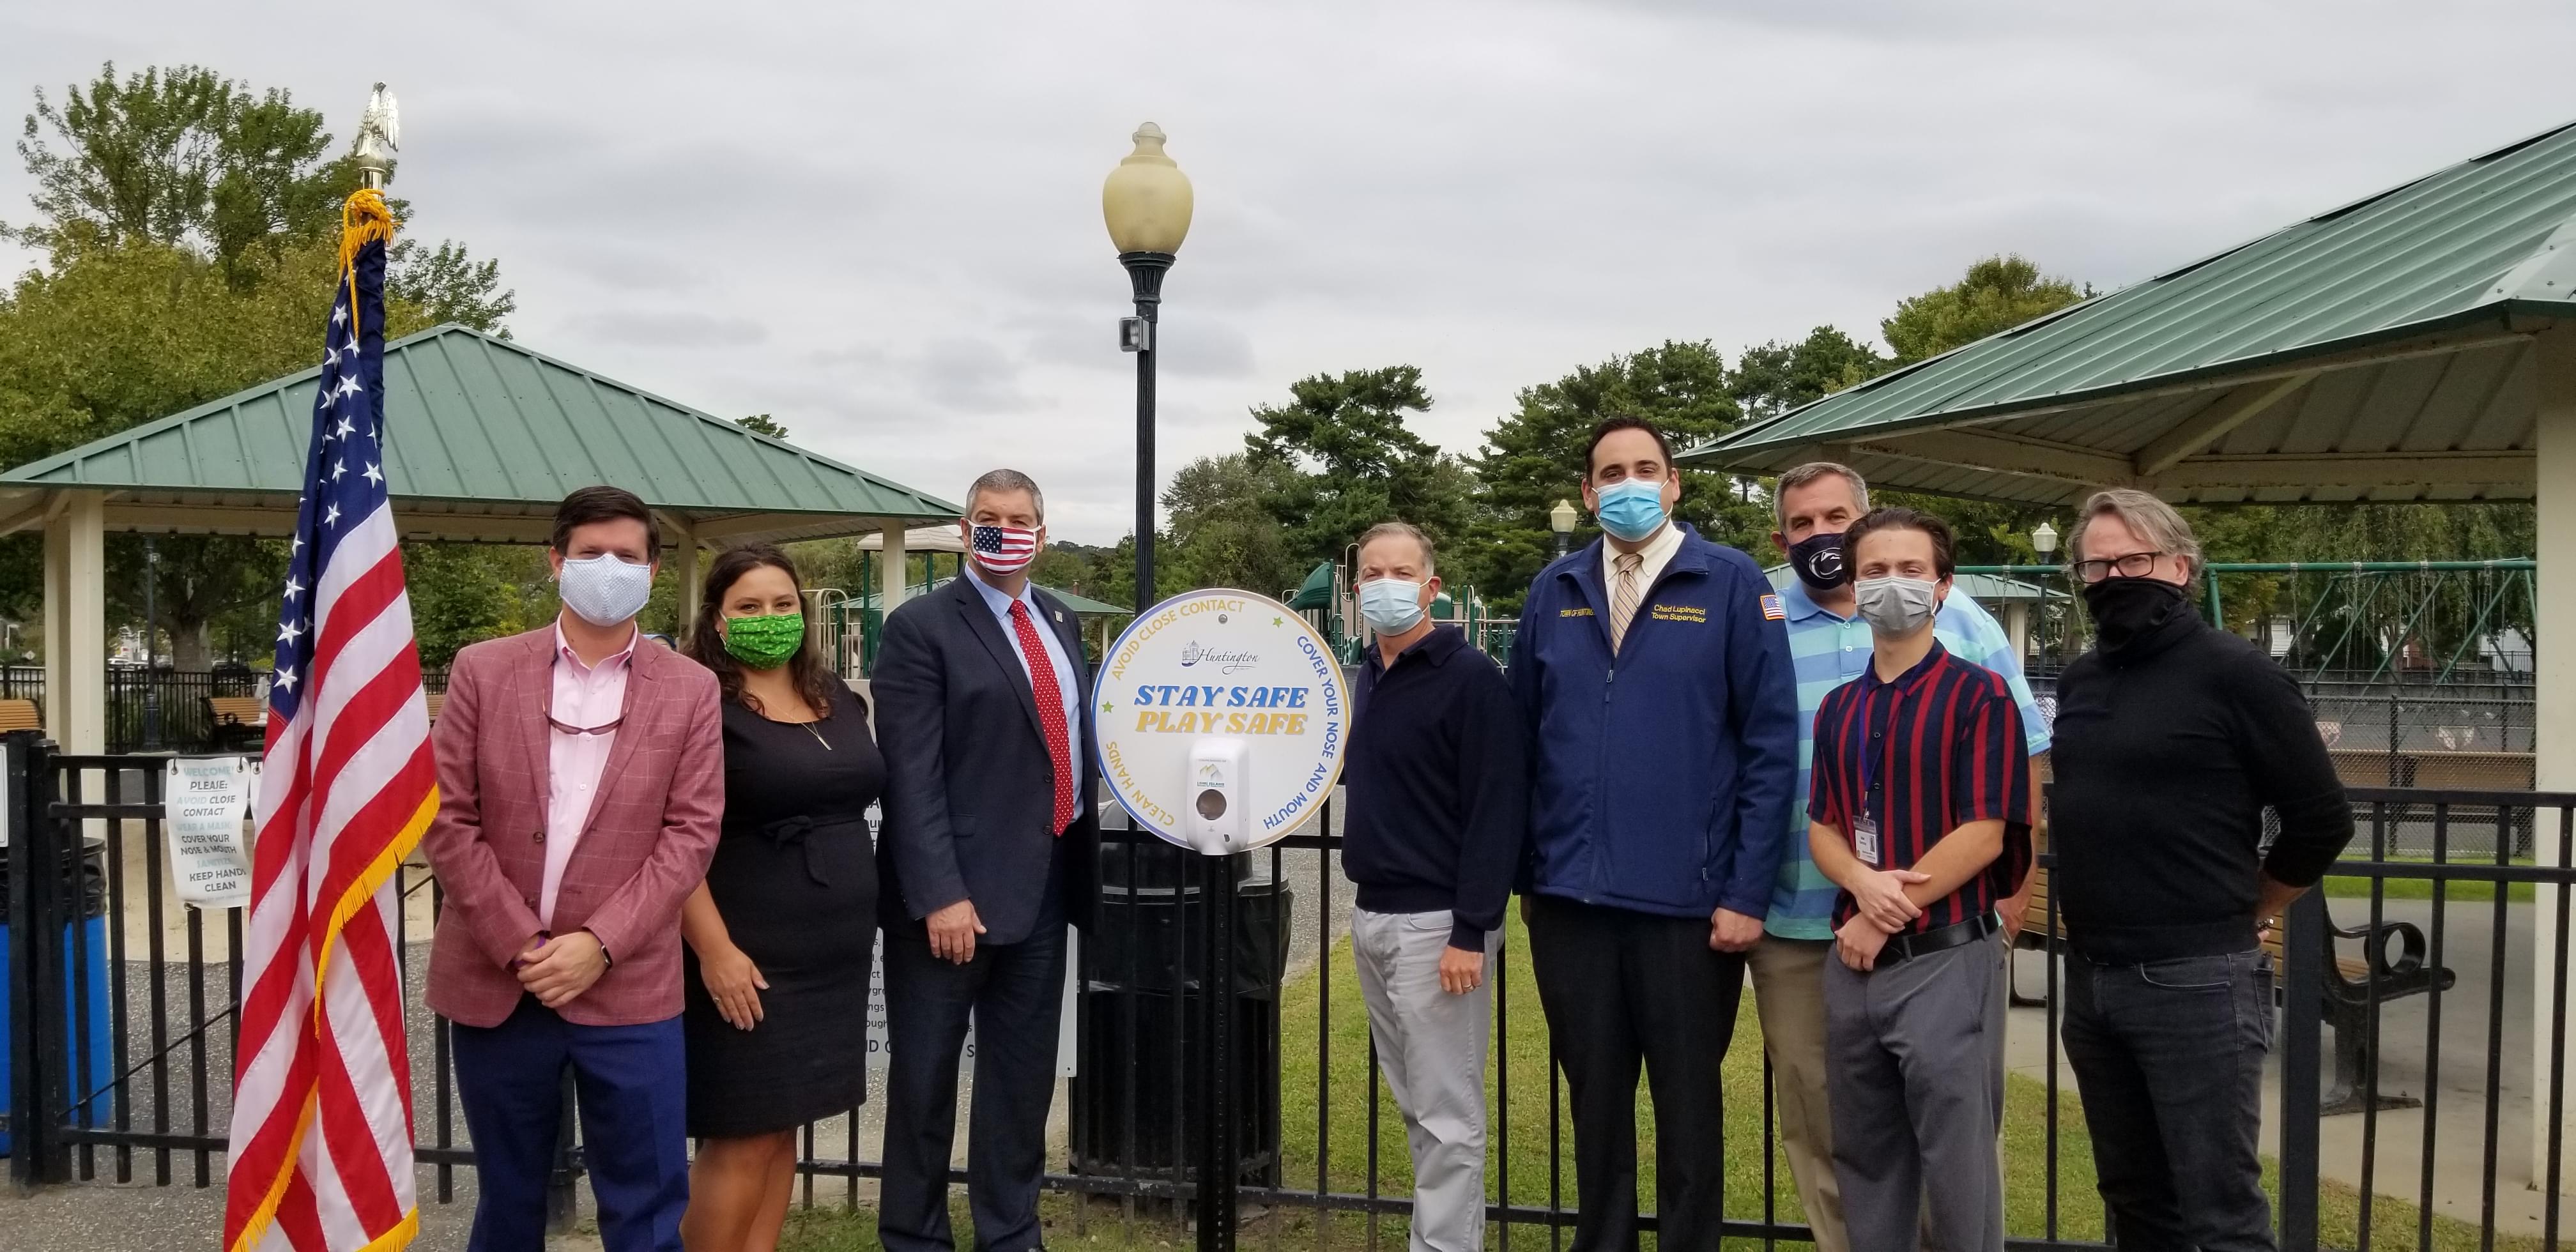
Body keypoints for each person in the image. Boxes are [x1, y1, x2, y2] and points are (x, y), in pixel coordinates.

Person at [1508, 415, 1798, 1252]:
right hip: (1571, 906)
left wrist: (1745, 893)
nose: (1628, 484)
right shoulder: (1553, 590)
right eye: (1610, 471)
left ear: (1674, 484)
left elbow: (1771, 750)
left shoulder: (1734, 584)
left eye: (1646, 468)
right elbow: (1522, 740)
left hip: (1688, 909)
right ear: (1589, 491)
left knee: (1687, 1113)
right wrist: (1530, 876)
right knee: (1594, 1109)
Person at [1750, 462, 2052, 1252]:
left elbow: (1995, 816)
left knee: (1952, 1150)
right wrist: (1858, 883)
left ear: (1941, 584)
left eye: (1909, 569)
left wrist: (1895, 907)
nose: (1890, 582)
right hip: (1821, 936)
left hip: (1938, 939)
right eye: (1875, 569)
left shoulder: (1975, 673)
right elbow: (1824, 818)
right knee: (1849, 1142)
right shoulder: (1812, 669)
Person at [422, 485, 723, 1252]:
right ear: (556, 562)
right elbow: (446, 817)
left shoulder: (690, 689)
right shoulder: (483, 670)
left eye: (627, 555)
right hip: (501, 982)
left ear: (654, 572)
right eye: (591, 553)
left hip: (629, 988)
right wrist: (521, 943)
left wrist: (600, 942)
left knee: (648, 1207)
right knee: (510, 1198)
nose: (608, 568)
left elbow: (691, 835)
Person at [2051, 489, 2352, 1251]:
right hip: (2093, 980)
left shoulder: (2238, 674)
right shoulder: (2083, 680)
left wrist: (2251, 905)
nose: (2116, 575)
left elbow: (2322, 819)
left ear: (2180, 567)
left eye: (2135, 559)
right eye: (2099, 563)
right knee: (2134, 1199)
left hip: (2196, 977)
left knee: (2218, 1207)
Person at [873, 469, 1099, 1252]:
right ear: (967, 528)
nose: (1006, 528)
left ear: (1042, 527)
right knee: (927, 1083)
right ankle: (914, 1235)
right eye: (989, 517)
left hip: (1042, 891)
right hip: (953, 903)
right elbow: (911, 771)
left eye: (1021, 517)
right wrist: (940, 893)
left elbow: (1062, 743)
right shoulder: (921, 626)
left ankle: (1010, 1232)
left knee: (1020, 1084)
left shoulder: (1060, 618)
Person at [676, 544, 884, 1252]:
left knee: (783, 1128)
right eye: (749, 607)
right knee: (741, 1135)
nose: (770, 617)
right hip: (747, 959)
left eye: (784, 603)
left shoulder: (839, 699)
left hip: (834, 959)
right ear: (718, 619)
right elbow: (669, 840)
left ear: (805, 609)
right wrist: (715, 951)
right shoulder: (698, 703)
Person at [1341, 521, 1527, 1252]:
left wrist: (1471, 928)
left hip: (1439, 926)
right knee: (1416, 1102)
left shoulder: (1472, 677)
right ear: (1357, 588)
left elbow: (1497, 807)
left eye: (1401, 571)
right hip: (1373, 917)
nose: (1385, 584)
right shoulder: (1367, 674)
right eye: (1372, 573)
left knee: (1448, 1112)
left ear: (1431, 585)